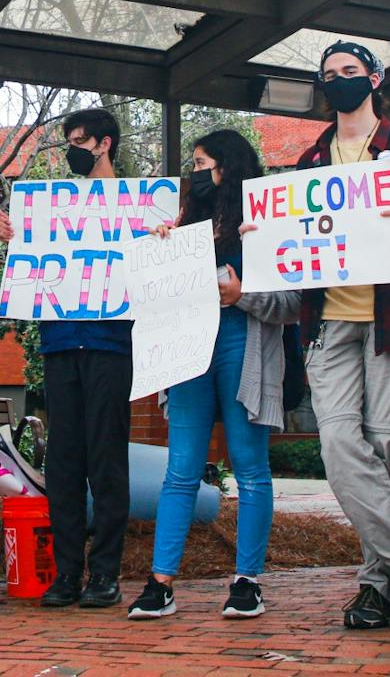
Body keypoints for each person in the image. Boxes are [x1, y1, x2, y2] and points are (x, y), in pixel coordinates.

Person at [280, 41, 390, 635]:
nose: (340, 82)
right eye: (329, 76)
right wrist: (265, 238)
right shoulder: (307, 162)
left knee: (385, 452)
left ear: (375, 79)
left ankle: (383, 585)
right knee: (338, 448)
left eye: (350, 73)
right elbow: (293, 243)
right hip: (329, 322)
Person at [126, 129, 299, 621]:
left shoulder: (265, 222)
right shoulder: (184, 223)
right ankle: (161, 583)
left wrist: (241, 294)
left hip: (243, 346)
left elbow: (292, 304)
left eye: (203, 162)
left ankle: (247, 581)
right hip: (188, 351)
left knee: (249, 468)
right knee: (180, 470)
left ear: (230, 165)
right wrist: (160, 250)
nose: (195, 171)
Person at [0, 108, 135, 610]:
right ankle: (66, 572)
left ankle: (106, 573)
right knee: (64, 461)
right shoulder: (51, 206)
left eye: (78, 141)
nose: (71, 151)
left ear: (103, 144)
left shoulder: (137, 205)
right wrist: (17, 240)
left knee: (106, 460)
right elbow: (31, 268)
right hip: (59, 342)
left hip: (111, 344)